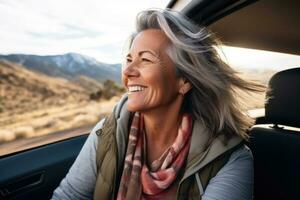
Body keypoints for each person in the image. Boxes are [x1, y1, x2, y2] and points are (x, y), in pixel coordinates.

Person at [52, 8, 263, 200]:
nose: (127, 71)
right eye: (128, 59)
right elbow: (69, 196)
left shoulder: (229, 160)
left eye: (145, 60)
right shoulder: (107, 133)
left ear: (185, 81)